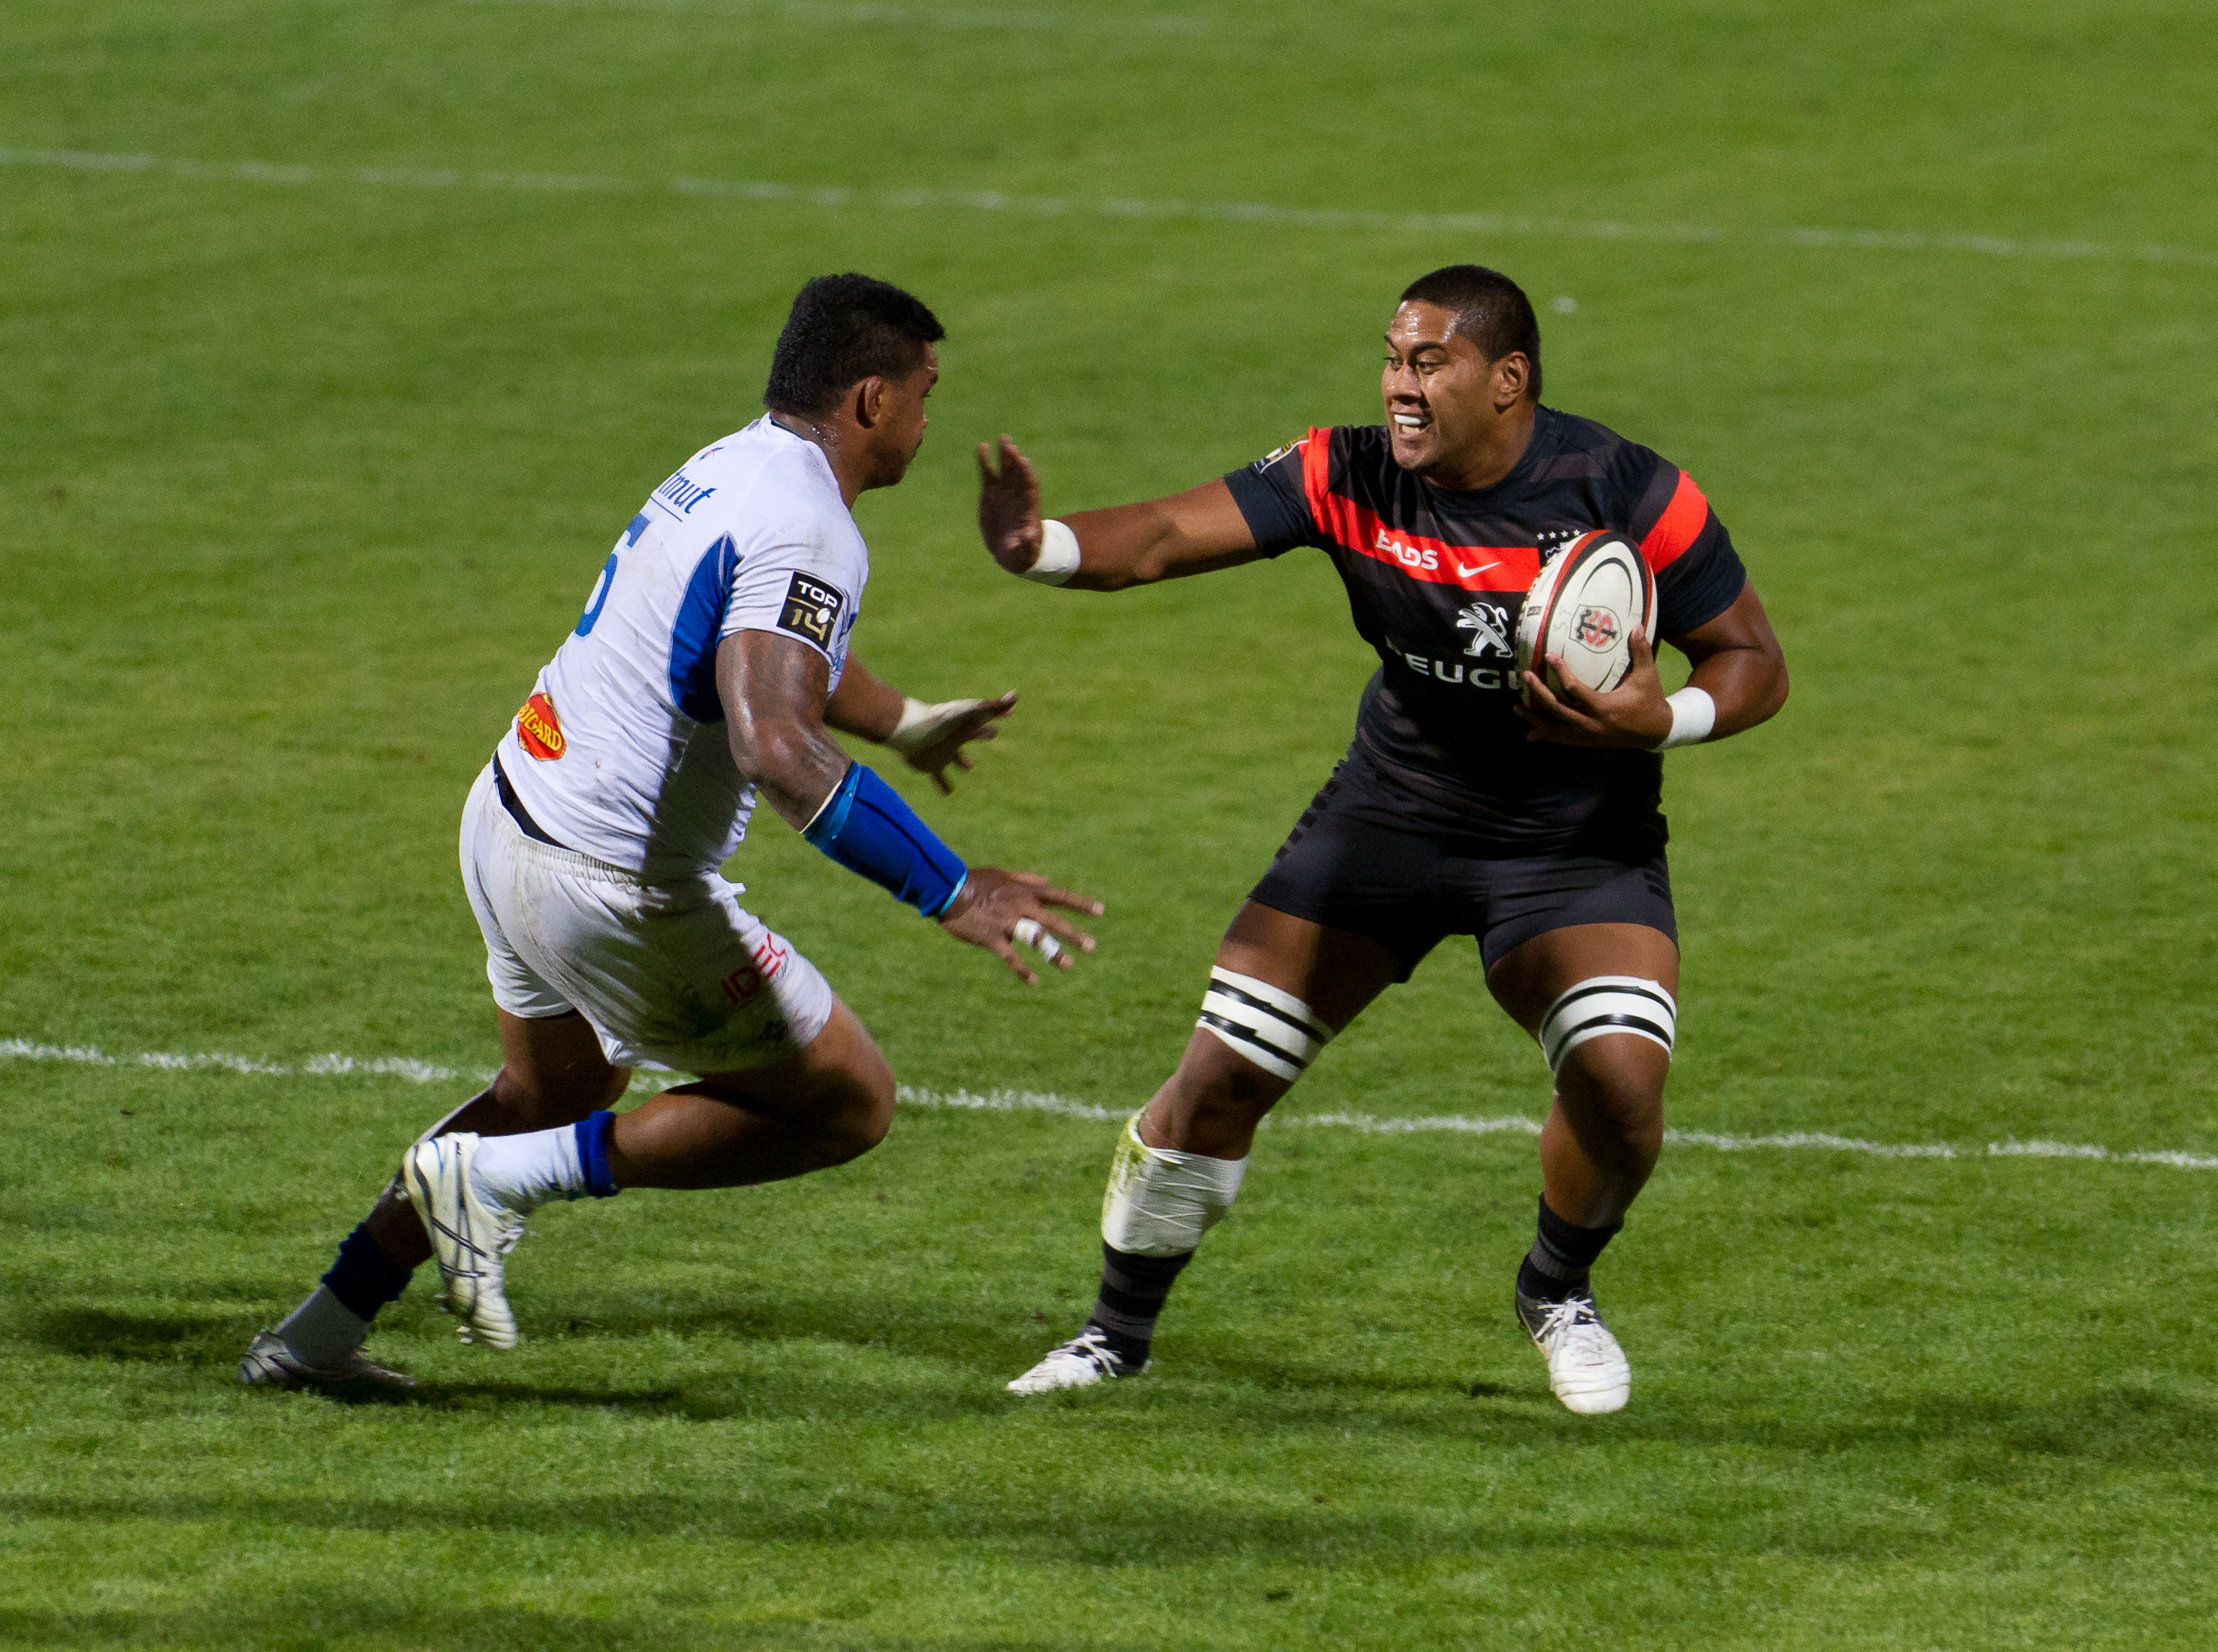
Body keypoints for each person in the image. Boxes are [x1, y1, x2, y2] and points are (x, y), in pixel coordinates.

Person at [240, 273, 1100, 1389]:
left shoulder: (730, 466)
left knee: (542, 1100)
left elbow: (745, 649)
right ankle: (489, 1185)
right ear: (873, 399)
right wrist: (953, 889)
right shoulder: (808, 525)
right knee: (847, 1102)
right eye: (927, 397)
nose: (929, 425)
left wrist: (905, 721)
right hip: (609, 883)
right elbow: (776, 745)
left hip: (508, 820)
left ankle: (313, 1337)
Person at [986, 266, 1785, 1414]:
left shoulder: (1627, 489)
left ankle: (1555, 1292)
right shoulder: (1346, 470)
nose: (1398, 389)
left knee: (1620, 1087)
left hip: (1569, 842)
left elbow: (1754, 660)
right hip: (1388, 818)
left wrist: (1663, 718)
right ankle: (1114, 1334)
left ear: (1506, 381)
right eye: (1392, 360)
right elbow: (1162, 534)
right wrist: (1039, 544)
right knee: (1215, 1082)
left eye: (1429, 364)